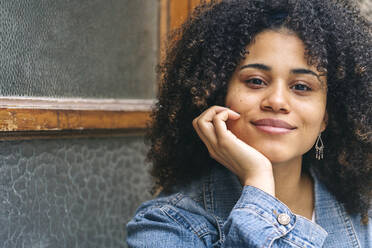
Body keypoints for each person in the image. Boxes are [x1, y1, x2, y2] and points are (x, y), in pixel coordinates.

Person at [127, 0, 371, 247]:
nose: (276, 101)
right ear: (217, 95)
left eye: (301, 86)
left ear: (325, 117)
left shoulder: (364, 219)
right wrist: (259, 184)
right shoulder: (165, 225)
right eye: (255, 81)